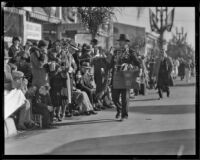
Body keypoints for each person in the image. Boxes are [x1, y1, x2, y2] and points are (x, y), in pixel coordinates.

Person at [107, 34, 141, 121]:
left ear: (126, 43)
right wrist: (108, 60)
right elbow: (110, 64)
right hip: (116, 77)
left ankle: (124, 115)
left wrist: (128, 65)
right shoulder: (115, 52)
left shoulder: (131, 52)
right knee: (114, 98)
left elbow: (138, 63)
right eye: (120, 42)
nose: (120, 43)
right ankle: (120, 109)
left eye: (122, 42)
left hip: (127, 76)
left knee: (125, 97)